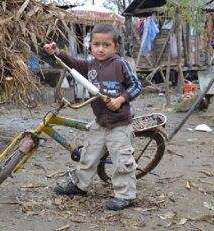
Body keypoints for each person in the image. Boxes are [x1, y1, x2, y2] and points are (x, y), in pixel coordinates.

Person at [43, 24, 142, 211]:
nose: (101, 49)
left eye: (106, 45)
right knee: (88, 155)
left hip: (119, 124)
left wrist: (121, 99)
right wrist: (56, 52)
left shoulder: (120, 65)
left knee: (122, 161)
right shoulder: (90, 65)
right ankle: (81, 186)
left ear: (116, 47)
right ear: (90, 46)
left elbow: (136, 86)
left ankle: (125, 195)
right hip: (100, 122)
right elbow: (71, 63)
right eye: (96, 44)